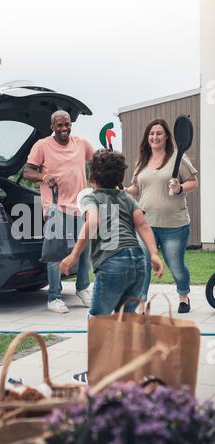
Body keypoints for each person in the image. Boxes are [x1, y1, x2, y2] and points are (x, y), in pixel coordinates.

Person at [59, 149, 164, 383]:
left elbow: (93, 221)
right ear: (120, 177)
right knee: (125, 321)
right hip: (138, 262)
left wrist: (74, 255)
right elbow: (143, 225)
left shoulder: (91, 197)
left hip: (113, 263)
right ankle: (125, 370)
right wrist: (155, 255)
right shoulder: (127, 198)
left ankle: (96, 373)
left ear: (92, 178)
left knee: (98, 320)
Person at [23, 110, 95, 313]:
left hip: (79, 205)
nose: (64, 128)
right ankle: (54, 297)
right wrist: (44, 178)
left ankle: (83, 288)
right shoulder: (42, 145)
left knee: (84, 249)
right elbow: (27, 171)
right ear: (52, 127)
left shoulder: (81, 143)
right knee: (56, 252)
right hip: (55, 206)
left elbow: (97, 160)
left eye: (67, 124)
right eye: (59, 125)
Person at [125, 118, 198, 314]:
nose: (155, 137)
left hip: (174, 225)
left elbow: (193, 182)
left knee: (176, 266)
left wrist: (180, 187)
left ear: (166, 136)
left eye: (158, 133)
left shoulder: (178, 157)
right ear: (147, 137)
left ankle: (183, 296)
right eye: (151, 133)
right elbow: (137, 188)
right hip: (145, 223)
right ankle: (141, 303)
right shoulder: (141, 161)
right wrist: (125, 190)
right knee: (144, 264)